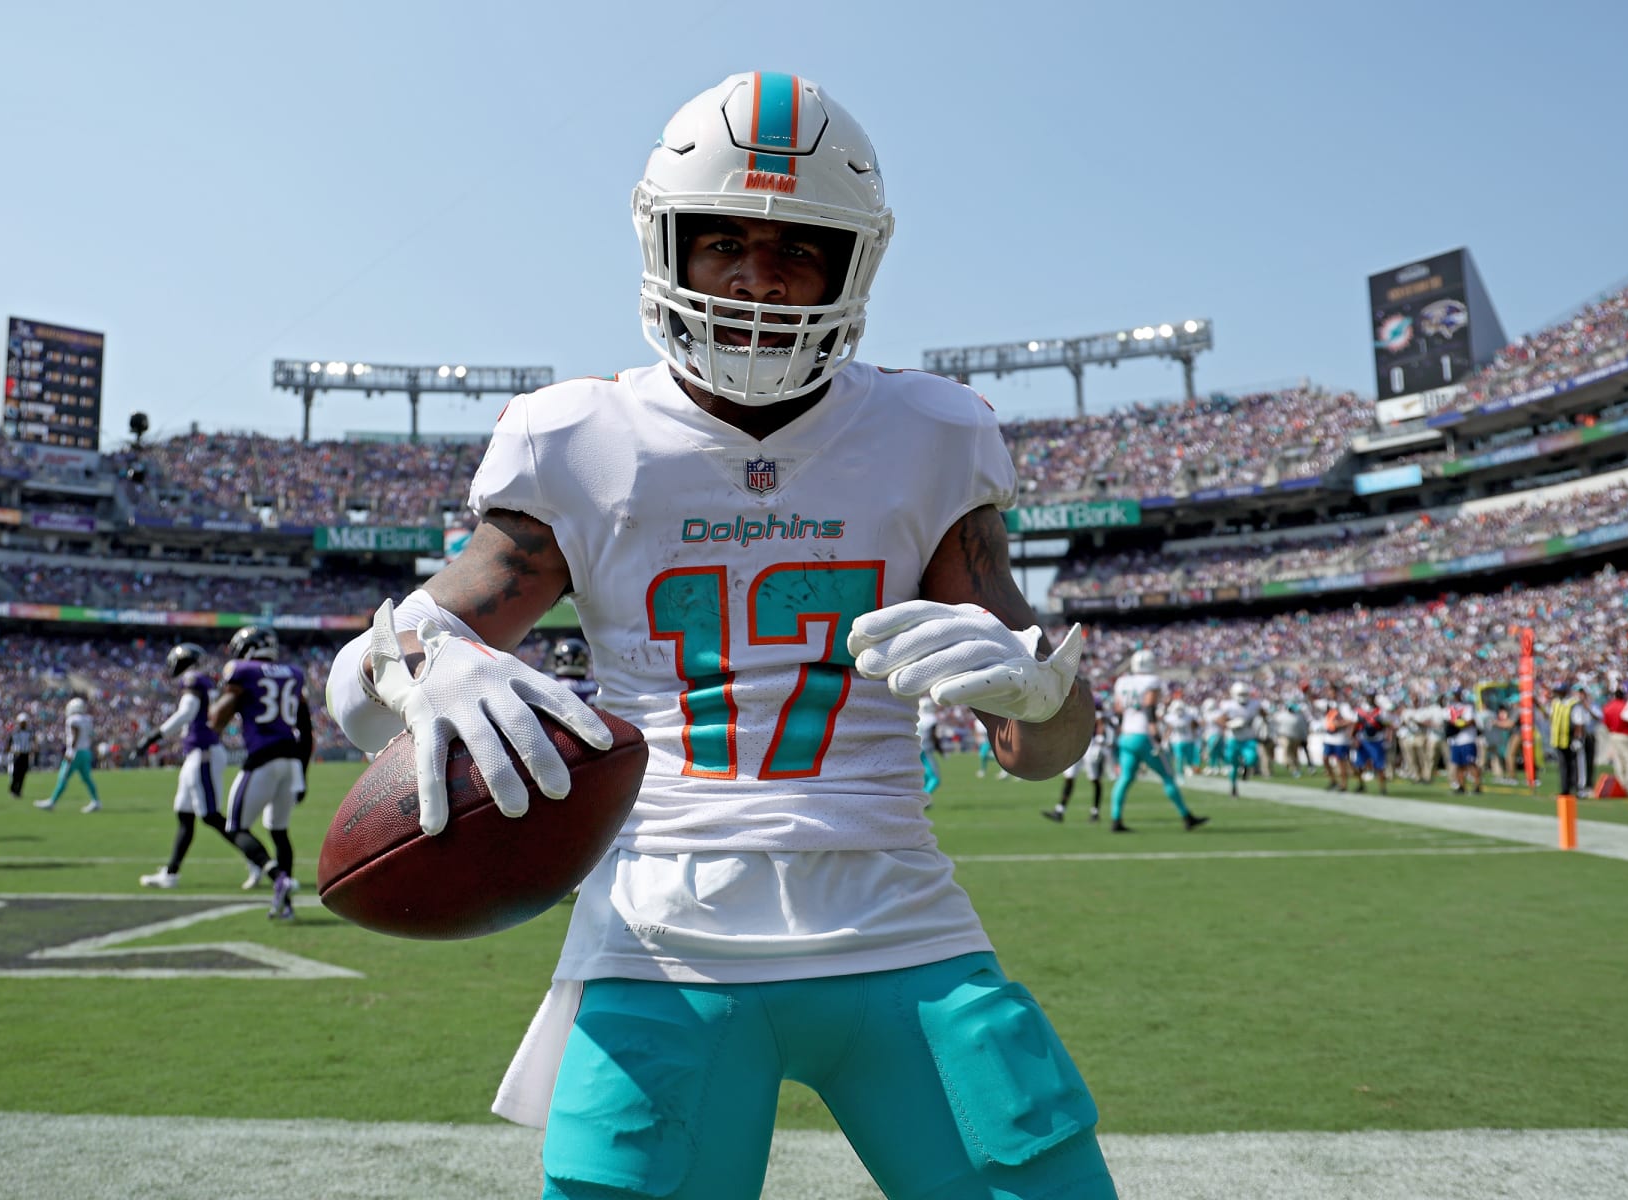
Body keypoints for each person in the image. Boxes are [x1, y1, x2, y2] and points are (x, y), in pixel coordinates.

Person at [325, 71, 1117, 1198]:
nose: (756, 278)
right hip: (660, 940)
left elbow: (1044, 747)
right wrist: (422, 669)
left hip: (902, 922)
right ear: (669, 248)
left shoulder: (931, 434)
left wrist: (1043, 698)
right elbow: (357, 693)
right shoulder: (578, 438)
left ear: (851, 266)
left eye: (796, 249)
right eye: (725, 243)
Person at [208, 627, 306, 917]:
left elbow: (217, 718)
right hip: (292, 760)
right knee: (279, 831)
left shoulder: (241, 670)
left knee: (236, 827)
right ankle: (285, 905)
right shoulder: (293, 672)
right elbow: (305, 726)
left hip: (263, 757)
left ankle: (278, 877)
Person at [136, 643, 238, 889]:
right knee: (184, 814)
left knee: (211, 816)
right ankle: (171, 872)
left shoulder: (193, 679)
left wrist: (153, 736)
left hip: (203, 753)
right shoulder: (202, 680)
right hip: (197, 752)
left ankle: (259, 860)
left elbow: (187, 712)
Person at [1105, 650, 1206, 833]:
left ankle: (1116, 818)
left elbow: (1119, 709)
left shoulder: (1122, 681)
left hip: (1126, 735)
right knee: (1168, 776)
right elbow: (1149, 707)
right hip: (1143, 734)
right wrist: (1156, 736)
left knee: (1125, 778)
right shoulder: (1151, 681)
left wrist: (1122, 731)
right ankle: (1186, 816)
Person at [1043, 694, 1111, 822]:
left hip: (1090, 742)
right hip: (1074, 742)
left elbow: (1100, 721)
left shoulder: (1093, 700)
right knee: (1069, 776)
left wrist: (1099, 739)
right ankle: (1060, 811)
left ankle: (1095, 812)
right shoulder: (1068, 698)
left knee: (1094, 778)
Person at [35, 696, 101, 812]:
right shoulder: (88, 719)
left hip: (75, 753)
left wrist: (70, 751)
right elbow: (91, 736)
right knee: (87, 779)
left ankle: (52, 802)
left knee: (63, 777)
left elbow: (76, 734)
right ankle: (96, 801)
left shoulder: (73, 720)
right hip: (85, 752)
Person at [1218, 680, 1262, 798]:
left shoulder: (1254, 704)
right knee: (1233, 765)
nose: (1243, 697)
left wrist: (1264, 721)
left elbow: (1264, 714)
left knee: (1252, 758)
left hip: (1248, 737)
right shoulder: (1228, 705)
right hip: (1234, 738)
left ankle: (1247, 769)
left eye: (1244, 694)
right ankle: (1233, 787)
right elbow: (1219, 720)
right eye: (1240, 694)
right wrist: (1230, 724)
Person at [1352, 692, 1392, 795]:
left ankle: (1382, 788)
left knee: (1379, 766)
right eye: (1368, 697)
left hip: (1377, 740)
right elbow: (1357, 725)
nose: (1369, 699)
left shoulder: (1380, 712)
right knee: (1359, 765)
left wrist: (1388, 737)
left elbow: (1388, 725)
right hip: (1363, 740)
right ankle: (1361, 785)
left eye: (1371, 697)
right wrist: (1354, 738)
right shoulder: (1361, 711)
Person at [7, 712, 33, 798]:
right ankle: (13, 789)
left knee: (23, 773)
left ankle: (19, 790)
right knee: (15, 773)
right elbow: (9, 742)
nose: (23, 724)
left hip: (25, 754)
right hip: (17, 754)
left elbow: (31, 742)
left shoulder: (29, 732)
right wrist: (10, 750)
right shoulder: (15, 732)